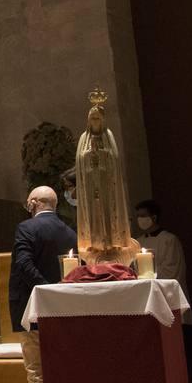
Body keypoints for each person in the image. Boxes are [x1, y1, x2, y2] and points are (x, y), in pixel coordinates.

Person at [8, 186, 78, 383]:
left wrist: (45, 290)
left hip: (33, 310)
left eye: (29, 201)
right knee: (61, 371)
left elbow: (23, 264)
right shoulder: (69, 232)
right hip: (62, 310)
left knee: (37, 374)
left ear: (35, 203)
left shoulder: (26, 228)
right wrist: (57, 292)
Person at [74, 88, 141, 266]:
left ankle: (113, 243)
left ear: (103, 120)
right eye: (92, 118)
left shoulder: (108, 136)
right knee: (94, 214)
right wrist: (89, 155)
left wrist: (102, 155)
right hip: (90, 185)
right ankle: (95, 245)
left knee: (107, 212)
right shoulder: (83, 138)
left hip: (106, 186)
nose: (95, 121)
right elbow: (80, 161)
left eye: (98, 119)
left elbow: (114, 159)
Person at [134, 200, 191, 324]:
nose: (140, 219)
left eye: (143, 216)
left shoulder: (169, 240)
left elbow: (173, 269)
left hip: (166, 295)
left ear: (154, 217)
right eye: (138, 216)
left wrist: (148, 273)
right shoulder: (137, 242)